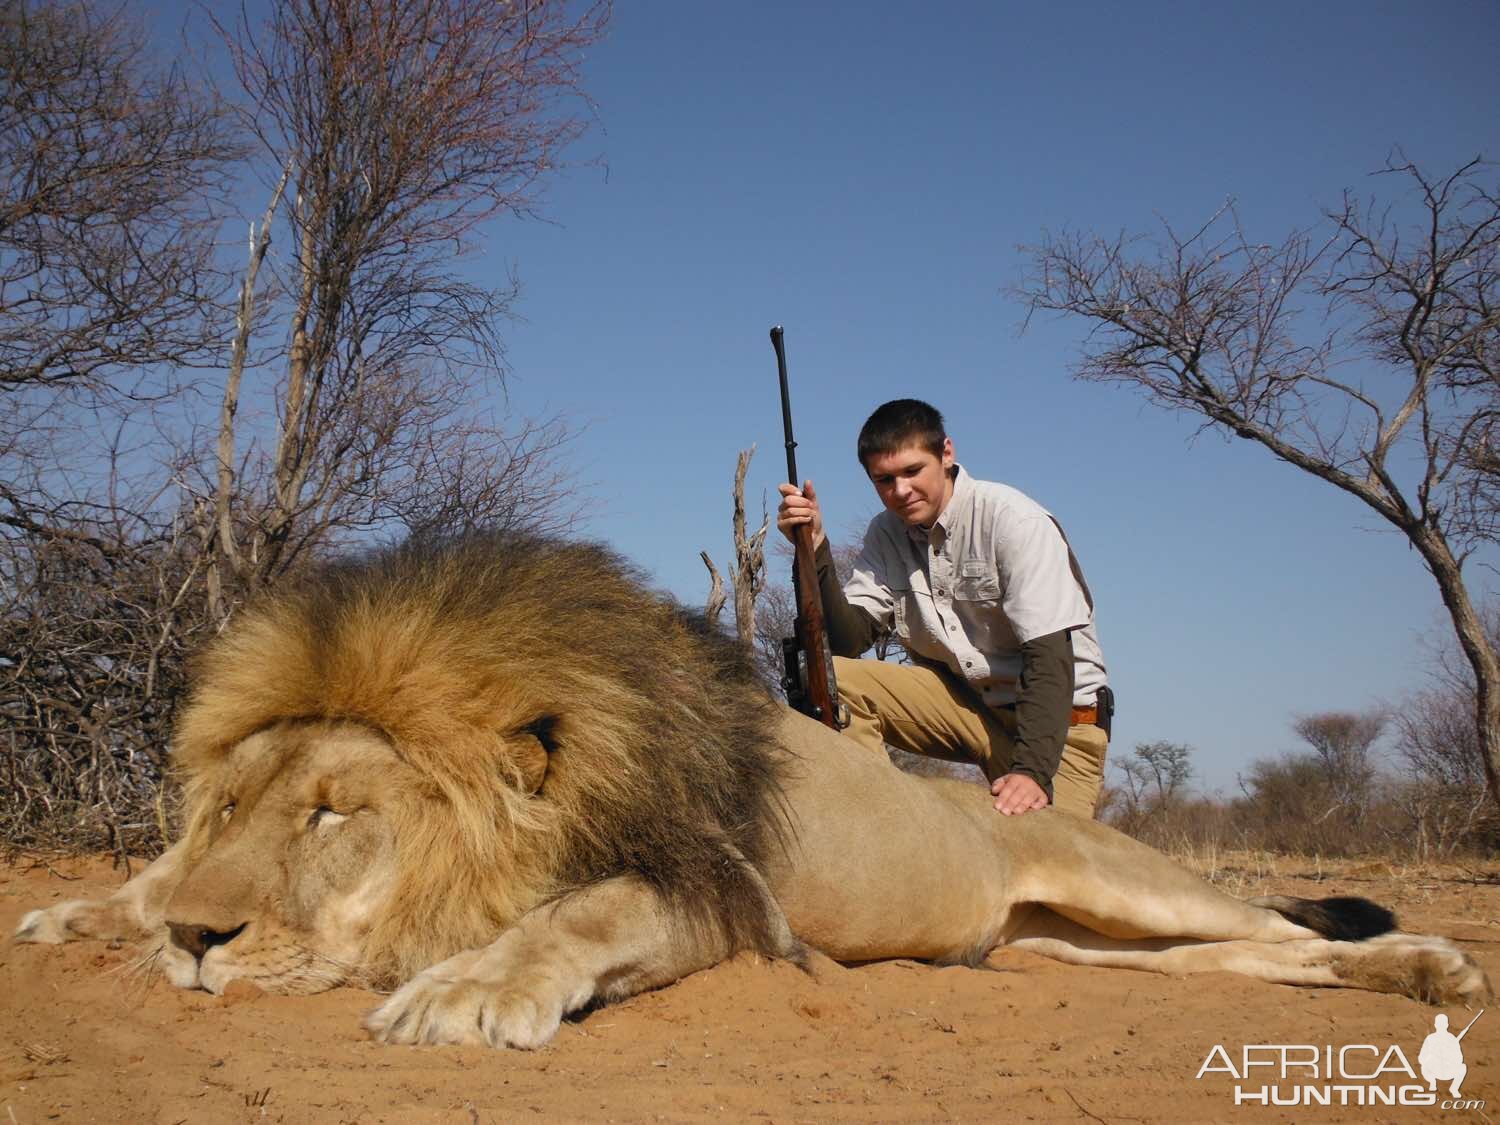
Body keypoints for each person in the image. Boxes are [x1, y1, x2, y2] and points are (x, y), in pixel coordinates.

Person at [776, 399, 1110, 817]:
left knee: (1050, 870)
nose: (900, 491)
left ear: (946, 453)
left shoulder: (1013, 520)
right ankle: (886, 827)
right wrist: (815, 547)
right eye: (884, 480)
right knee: (829, 679)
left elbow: (1050, 657)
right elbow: (846, 641)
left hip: (1056, 728)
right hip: (968, 709)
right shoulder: (885, 532)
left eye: (912, 471)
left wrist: (1031, 772)